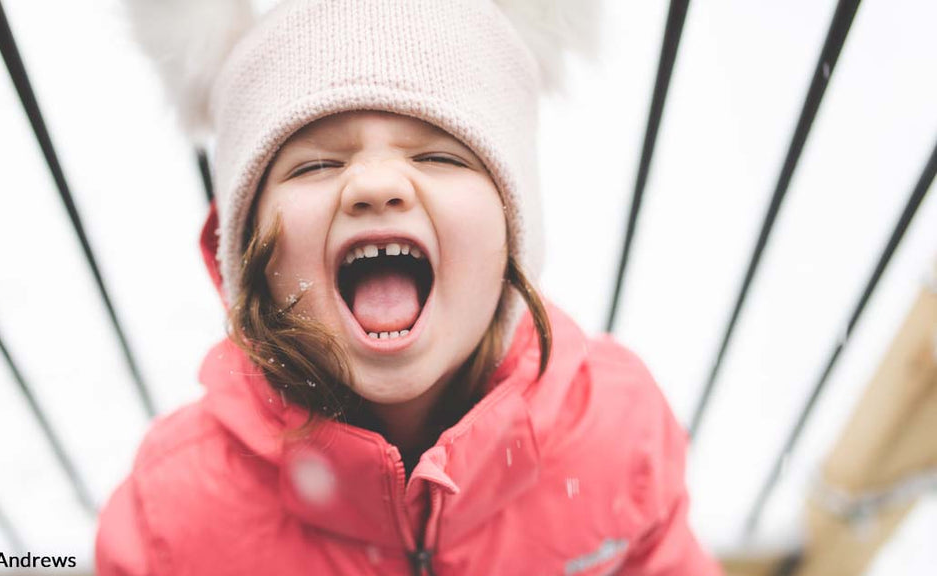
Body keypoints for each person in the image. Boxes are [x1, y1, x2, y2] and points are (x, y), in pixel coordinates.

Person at [96, 0, 723, 574]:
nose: (375, 184)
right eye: (316, 164)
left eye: (439, 157)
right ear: (247, 253)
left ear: (513, 229)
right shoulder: (176, 513)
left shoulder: (615, 431)